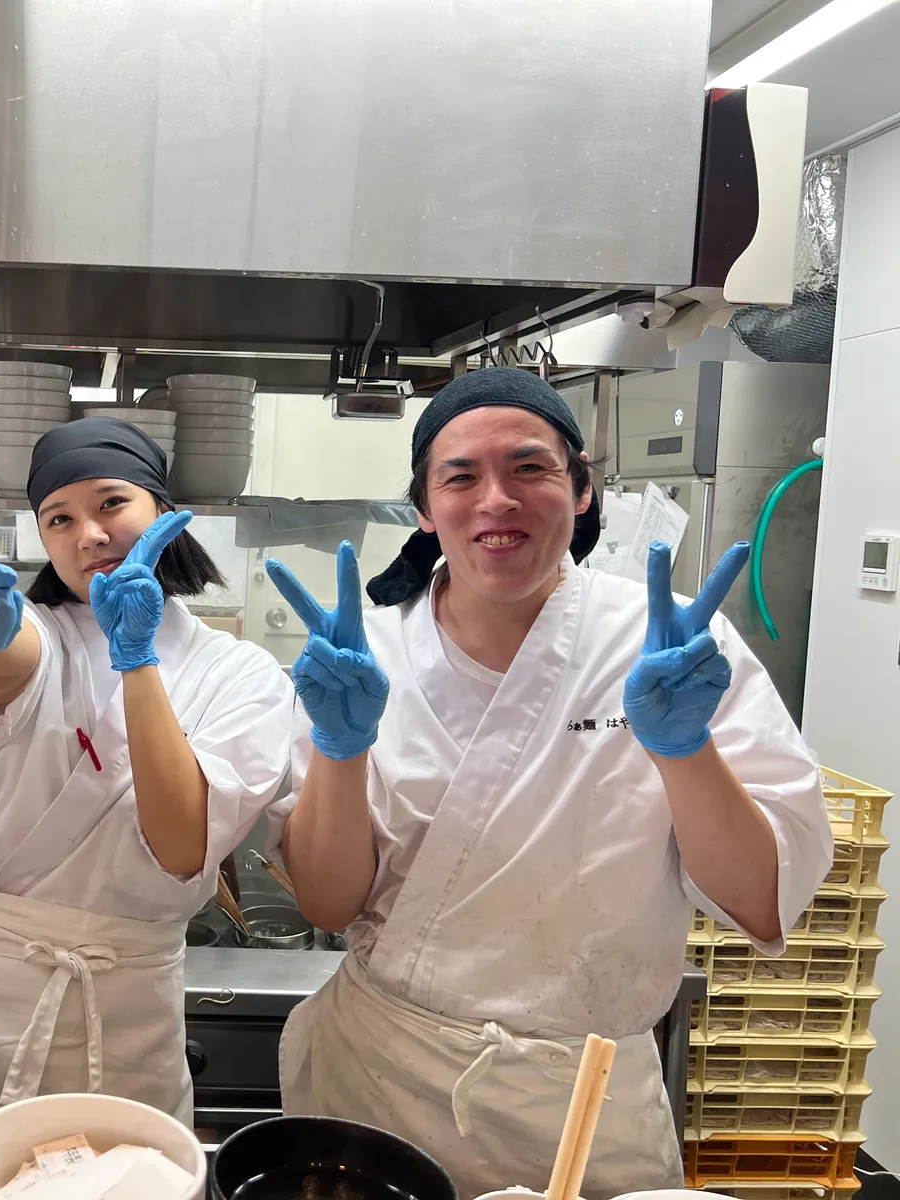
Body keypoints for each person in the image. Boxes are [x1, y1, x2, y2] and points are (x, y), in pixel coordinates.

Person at [264, 368, 834, 1200]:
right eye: (460, 475)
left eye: (530, 468)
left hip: (584, 1105)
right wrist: (341, 747)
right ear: (424, 508)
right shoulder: (364, 656)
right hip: (383, 1089)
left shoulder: (670, 644)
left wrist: (683, 750)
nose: (497, 498)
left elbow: (762, 899)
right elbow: (326, 903)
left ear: (583, 489)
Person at [0, 416, 293, 1199]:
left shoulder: (245, 676)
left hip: (123, 1011)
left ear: (160, 509)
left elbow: (181, 843)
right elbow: (5, 656)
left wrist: (137, 657)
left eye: (110, 503)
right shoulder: (42, 633)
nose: (88, 534)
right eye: (58, 518)